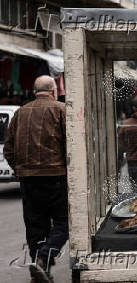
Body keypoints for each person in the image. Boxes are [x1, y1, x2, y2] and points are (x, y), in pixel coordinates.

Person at [4, 75, 68, 283]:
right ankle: (43, 258)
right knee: (64, 222)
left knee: (35, 226)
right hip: (56, 176)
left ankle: (39, 270)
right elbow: (72, 145)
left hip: (28, 179)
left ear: (34, 92)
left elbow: (9, 149)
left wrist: (20, 169)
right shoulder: (61, 109)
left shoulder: (21, 112)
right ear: (53, 91)